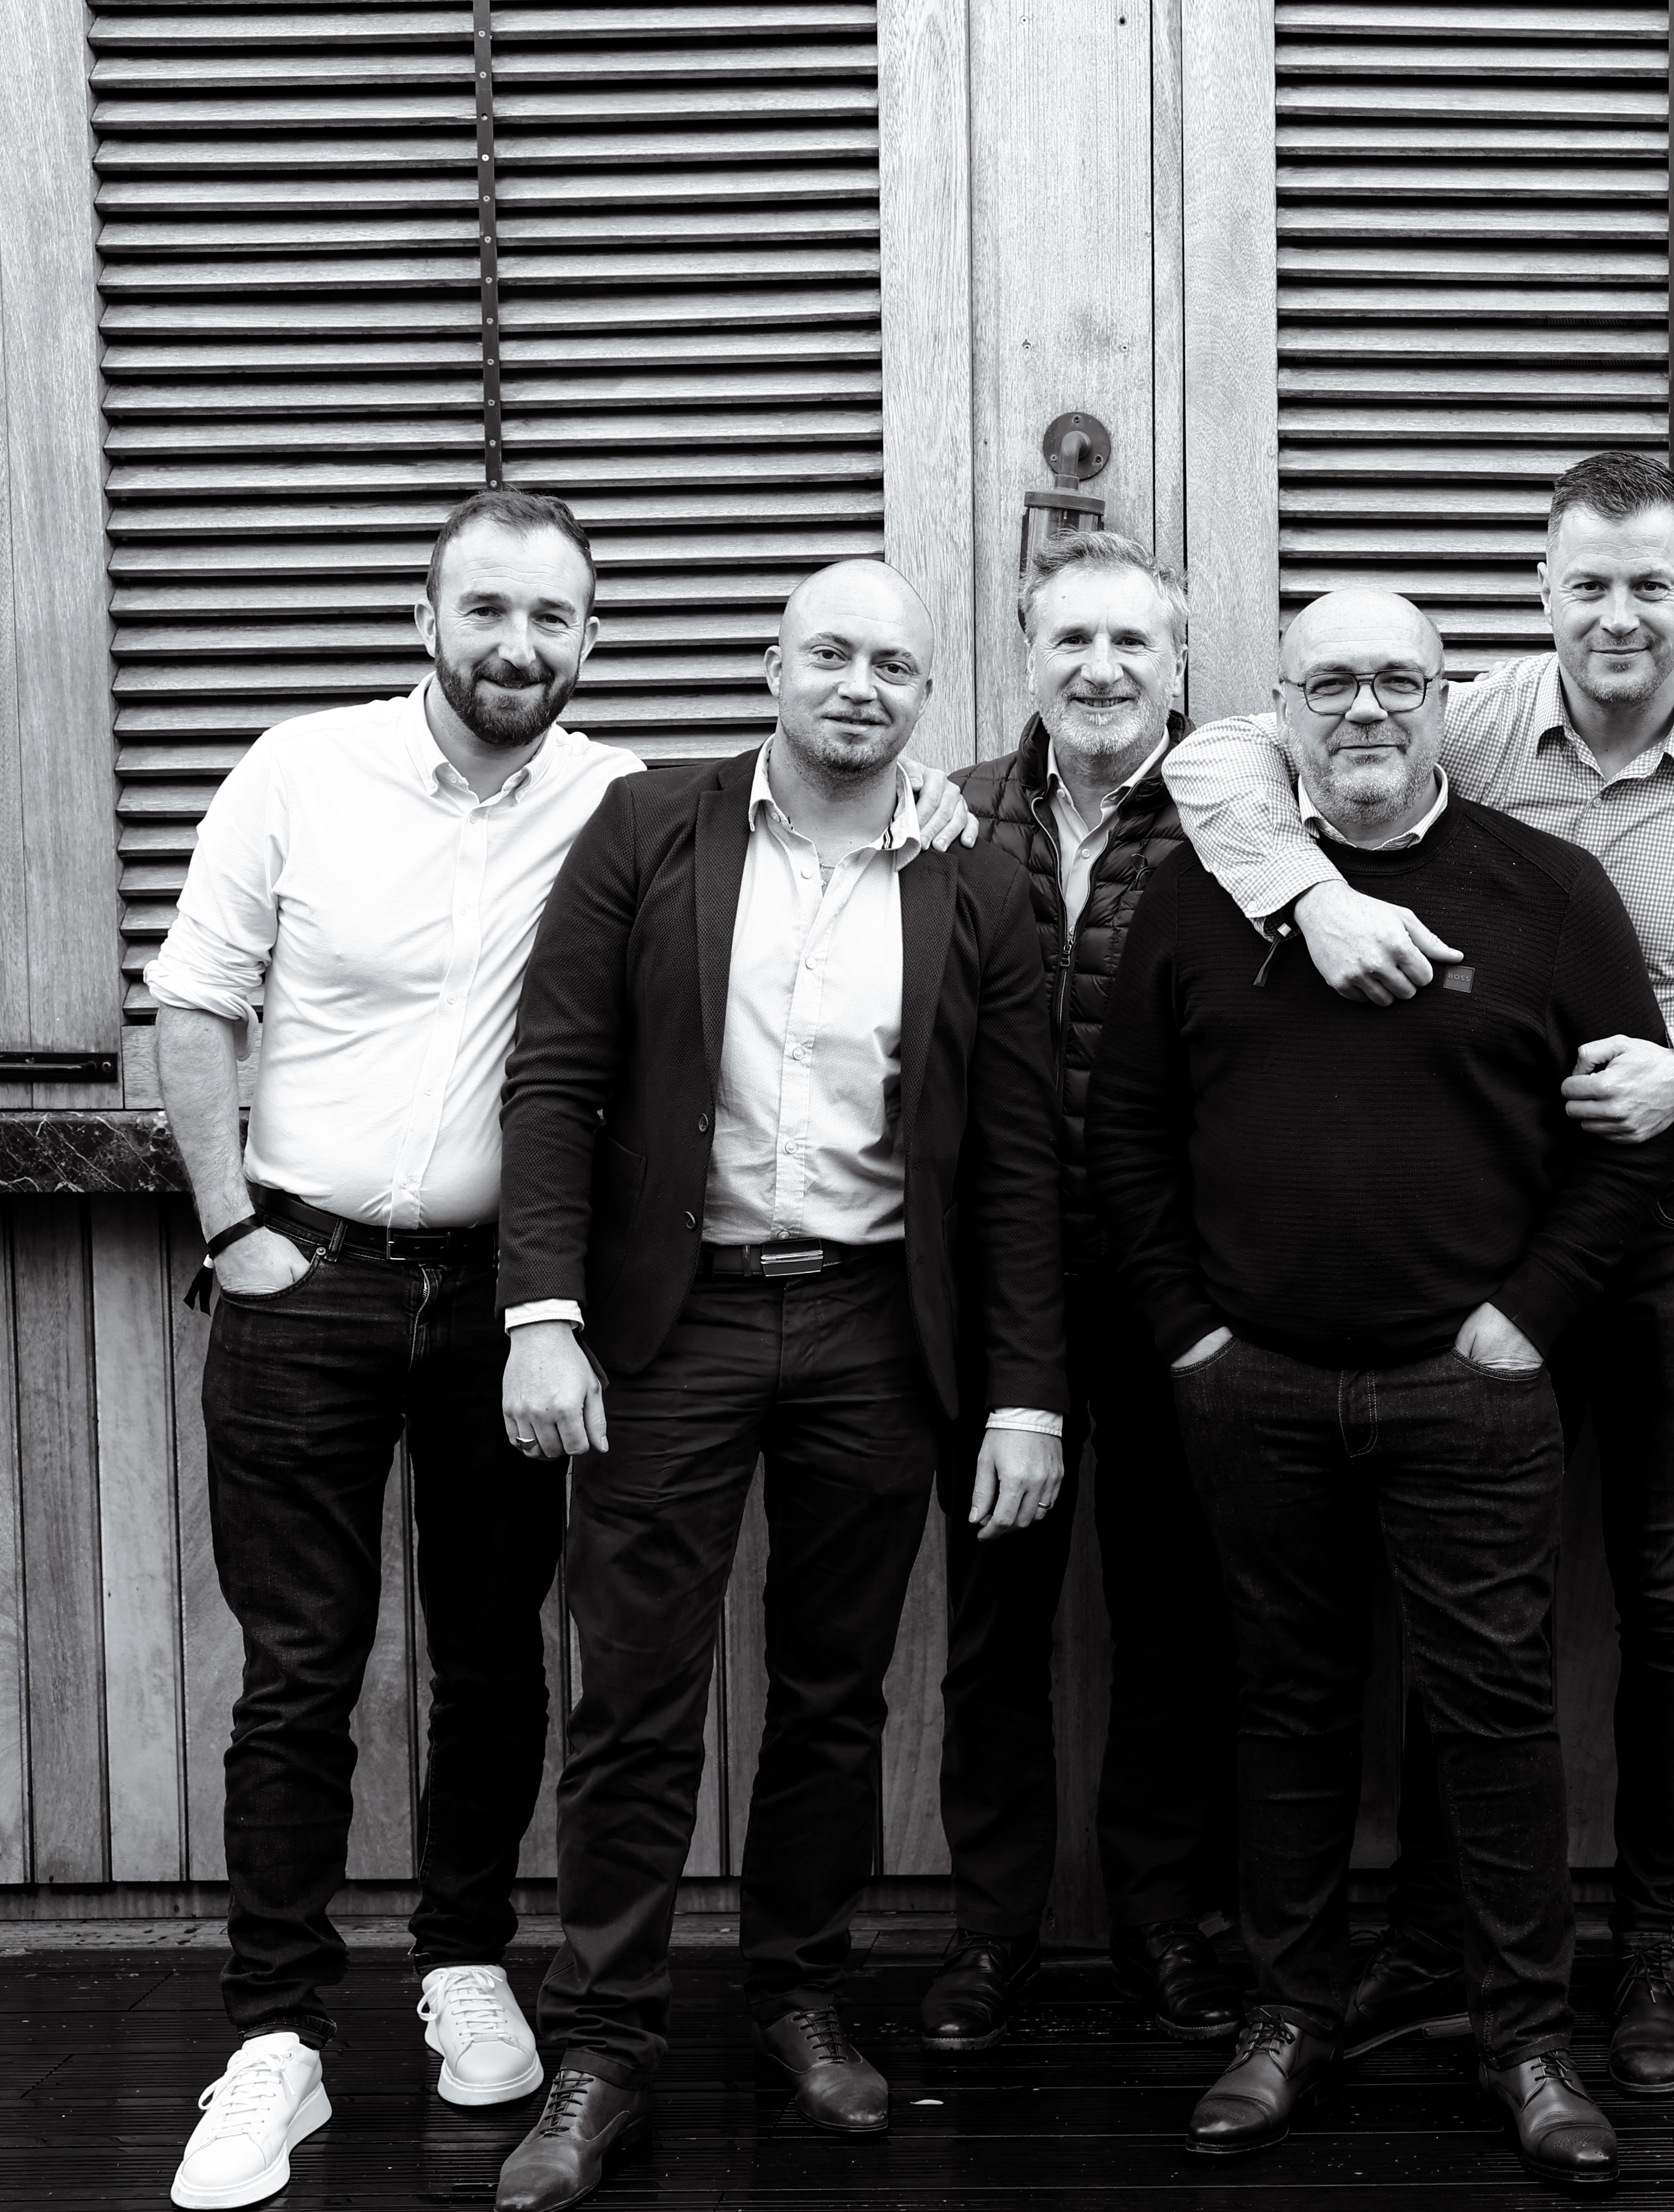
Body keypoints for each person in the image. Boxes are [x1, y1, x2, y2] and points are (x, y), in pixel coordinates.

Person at [1160, 450, 1674, 2099]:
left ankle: (1654, 1951)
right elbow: (1218, 756)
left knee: (1669, 1591)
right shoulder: (1456, 716)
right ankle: (1435, 1942)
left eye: (1651, 584)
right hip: (1473, 1225)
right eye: (1586, 584)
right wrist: (1309, 894)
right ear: (1540, 594)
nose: (1618, 615)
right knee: (1457, 1594)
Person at [487, 561, 1068, 2212]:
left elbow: (1018, 1159)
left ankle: (801, 1996)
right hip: (673, 1326)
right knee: (635, 1695)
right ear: (771, 667)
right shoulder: (647, 828)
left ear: (928, 696)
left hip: (878, 1330)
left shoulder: (979, 878)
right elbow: (558, 1074)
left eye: (894, 663)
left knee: (833, 1693)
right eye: (829, 653)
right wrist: (542, 1312)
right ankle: (602, 2044)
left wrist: (1026, 1394)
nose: (858, 686)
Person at [1096, 589, 1674, 2188]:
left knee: (1495, 1714)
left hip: (1469, 1391)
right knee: (1285, 1709)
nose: (1366, 709)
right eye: (1333, 683)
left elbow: (1625, 1142)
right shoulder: (1203, 896)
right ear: (1279, 709)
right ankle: (1288, 2015)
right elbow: (1129, 1133)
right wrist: (1191, 1338)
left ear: (1445, 705)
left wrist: (1528, 1322)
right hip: (1256, 1386)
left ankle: (1526, 2037)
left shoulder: (1547, 891)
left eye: (1400, 683)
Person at [148, 487, 640, 2212]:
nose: (518, 644)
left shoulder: (620, 801)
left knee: (494, 1658)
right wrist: (233, 1229)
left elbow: (800, 827)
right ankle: (276, 2037)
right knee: (299, 1668)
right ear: (425, 616)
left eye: (553, 617)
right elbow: (197, 996)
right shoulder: (301, 769)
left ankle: (464, 1960)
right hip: (309, 1277)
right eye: (486, 608)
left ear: (591, 637)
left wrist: (933, 798)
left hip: (508, 1297)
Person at [923, 531, 1239, 2053]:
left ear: (1180, 666)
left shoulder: (1247, 821)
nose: (1101, 669)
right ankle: (992, 1935)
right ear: (1026, 657)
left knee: (1176, 1617)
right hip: (997, 1287)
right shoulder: (948, 817)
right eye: (1071, 640)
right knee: (994, 1626)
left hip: (1180, 1280)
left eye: (1133, 642)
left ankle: (1167, 1921)